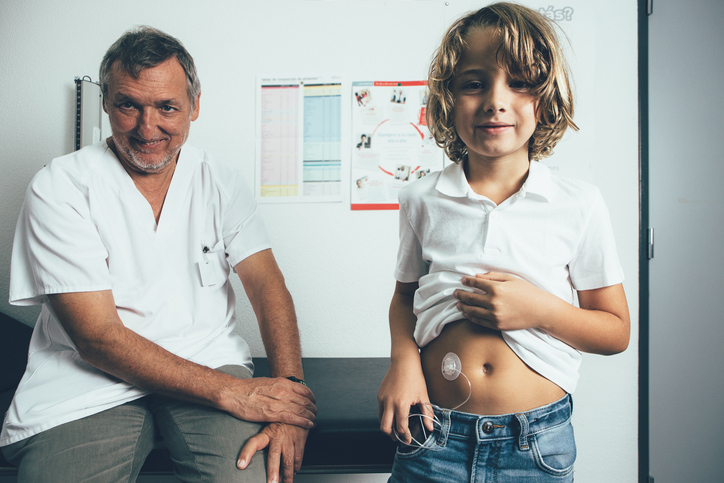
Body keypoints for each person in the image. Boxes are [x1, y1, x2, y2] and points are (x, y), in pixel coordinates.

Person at [1, 26, 315, 483]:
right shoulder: (60, 187)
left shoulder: (220, 183)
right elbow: (97, 338)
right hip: (86, 381)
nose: (148, 129)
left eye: (167, 107)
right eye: (129, 105)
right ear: (107, 101)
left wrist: (289, 399)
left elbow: (267, 286)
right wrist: (234, 394)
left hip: (206, 360)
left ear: (195, 105)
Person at [377, 3, 630, 481]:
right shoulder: (420, 198)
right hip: (434, 435)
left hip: (535, 444)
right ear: (448, 99)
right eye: (474, 83)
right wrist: (402, 363)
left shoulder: (579, 203)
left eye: (519, 83)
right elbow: (404, 298)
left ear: (546, 100)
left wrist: (538, 310)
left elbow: (616, 331)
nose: (495, 100)